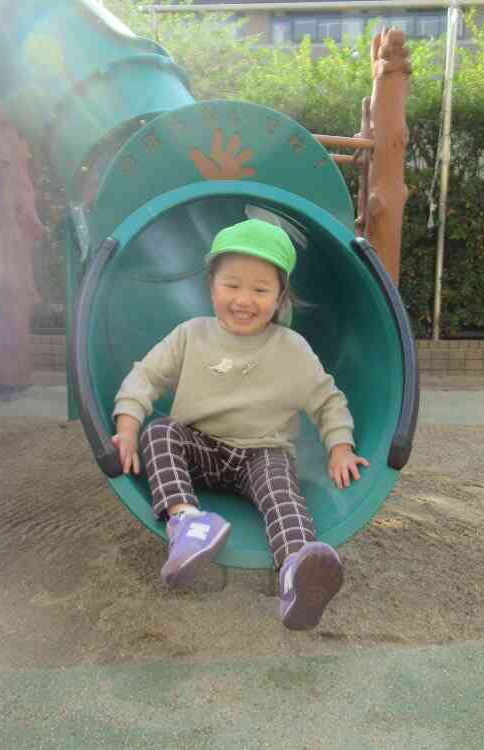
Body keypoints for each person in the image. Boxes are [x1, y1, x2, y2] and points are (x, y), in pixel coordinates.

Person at [111, 219, 368, 630]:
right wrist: (126, 428)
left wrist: (340, 446)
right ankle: (188, 523)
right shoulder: (191, 335)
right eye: (232, 285)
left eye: (261, 290)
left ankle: (295, 571)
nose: (244, 300)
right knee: (159, 433)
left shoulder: (291, 348)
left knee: (282, 492)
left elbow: (327, 399)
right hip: (201, 447)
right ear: (211, 286)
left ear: (280, 297)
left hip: (261, 453)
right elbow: (145, 377)